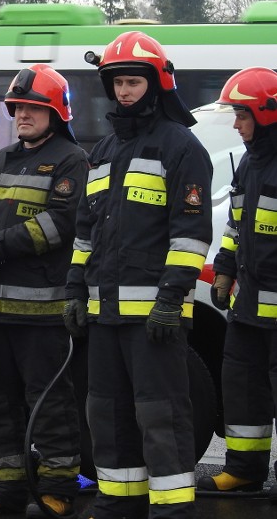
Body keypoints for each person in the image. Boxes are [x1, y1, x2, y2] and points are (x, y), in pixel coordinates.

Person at [64, 31, 212, 519]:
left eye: (133, 81)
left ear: (156, 83)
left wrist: (171, 299)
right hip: (104, 316)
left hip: (155, 318)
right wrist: (73, 289)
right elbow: (85, 231)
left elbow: (190, 235)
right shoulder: (104, 150)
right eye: (118, 82)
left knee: (161, 416)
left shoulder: (181, 147)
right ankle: (118, 502)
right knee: (106, 414)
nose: (125, 91)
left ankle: (170, 509)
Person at [0, 65, 87, 518]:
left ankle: (58, 489)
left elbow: (61, 223)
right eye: (20, 108)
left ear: (57, 113)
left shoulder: (72, 160)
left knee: (49, 403)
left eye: (36, 108)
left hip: (43, 311)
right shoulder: (1, 160)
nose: (24, 115)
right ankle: (3, 486)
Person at [196, 67, 277, 495]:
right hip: (248, 307)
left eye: (242, 115)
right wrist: (225, 269)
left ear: (266, 114)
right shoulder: (249, 162)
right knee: (242, 386)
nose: (235, 124)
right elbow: (236, 226)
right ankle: (244, 470)